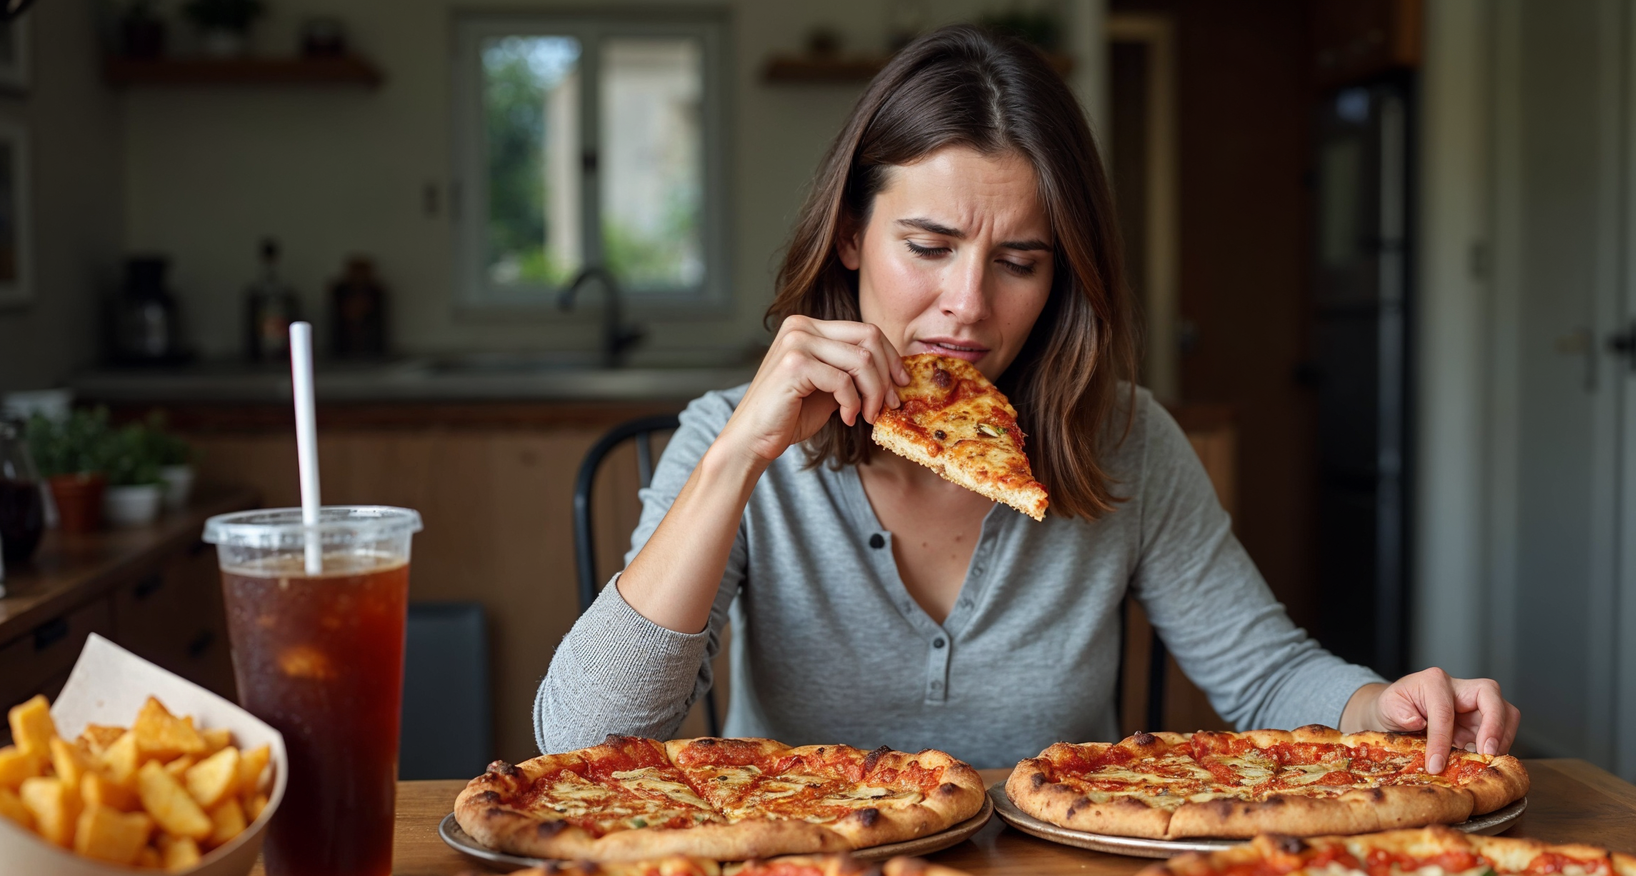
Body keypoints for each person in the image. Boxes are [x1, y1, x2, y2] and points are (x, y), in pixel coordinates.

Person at [535, 25, 1519, 771]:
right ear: (848, 236)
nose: (967, 305)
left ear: (1063, 276)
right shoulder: (728, 440)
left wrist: (1378, 705)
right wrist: (737, 460)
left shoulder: (1125, 439)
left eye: (1019, 260)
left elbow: (1262, 675)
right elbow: (583, 739)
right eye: (927, 247)